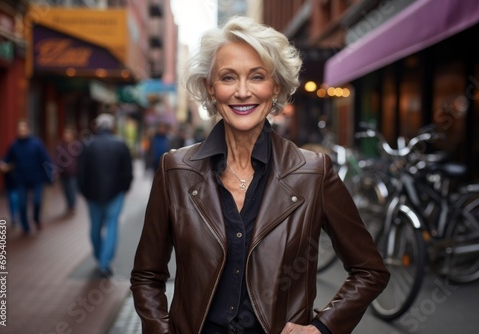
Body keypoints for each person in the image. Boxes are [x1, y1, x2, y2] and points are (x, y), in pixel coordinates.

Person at [130, 16, 389, 334]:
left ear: (275, 86)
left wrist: (323, 327)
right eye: (228, 77)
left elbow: (369, 270)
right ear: (211, 88)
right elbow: (147, 276)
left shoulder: (313, 173)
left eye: (256, 77)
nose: (242, 92)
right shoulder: (175, 171)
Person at [77, 113, 133, 277]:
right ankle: (104, 262)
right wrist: (125, 188)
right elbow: (127, 171)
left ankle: (99, 257)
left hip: (93, 195)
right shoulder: (120, 144)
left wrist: (85, 192)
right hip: (115, 193)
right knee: (112, 227)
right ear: (110, 126)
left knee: (95, 227)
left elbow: (81, 173)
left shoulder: (87, 145)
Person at [2, 120, 53, 235]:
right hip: (21, 180)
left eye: (24, 129)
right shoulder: (14, 145)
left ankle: (36, 218)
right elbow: (7, 158)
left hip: (36, 179)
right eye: (20, 130)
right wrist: (3, 163)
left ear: (28, 130)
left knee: (36, 202)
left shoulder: (36, 144)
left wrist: (49, 177)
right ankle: (25, 227)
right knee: (22, 204)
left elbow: (45, 160)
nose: (22, 132)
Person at [54, 127, 78, 215]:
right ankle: (69, 205)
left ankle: (72, 206)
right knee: (66, 190)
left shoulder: (76, 146)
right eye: (65, 134)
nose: (67, 136)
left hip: (73, 173)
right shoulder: (60, 146)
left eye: (68, 134)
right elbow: (56, 159)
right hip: (63, 173)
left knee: (72, 189)